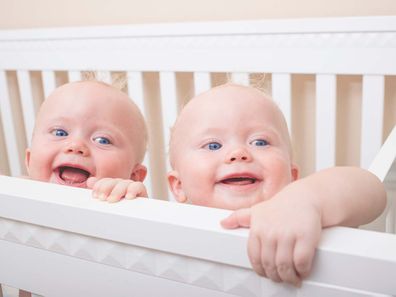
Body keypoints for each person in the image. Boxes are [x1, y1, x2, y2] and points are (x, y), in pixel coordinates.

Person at [166, 83, 386, 287]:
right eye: (213, 145)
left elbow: (373, 191)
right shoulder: (166, 226)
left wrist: (307, 199)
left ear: (292, 176)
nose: (238, 153)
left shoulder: (306, 214)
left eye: (260, 142)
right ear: (178, 185)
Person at [25, 80, 148, 201]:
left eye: (102, 140)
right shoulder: (13, 194)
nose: (76, 145)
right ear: (29, 160)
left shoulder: (125, 204)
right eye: (59, 133)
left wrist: (136, 204)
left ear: (133, 177)